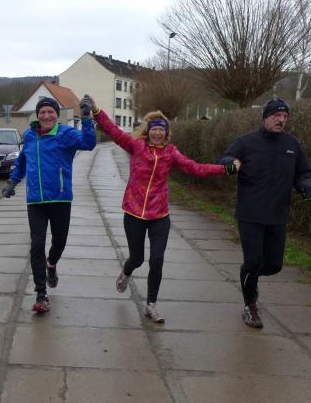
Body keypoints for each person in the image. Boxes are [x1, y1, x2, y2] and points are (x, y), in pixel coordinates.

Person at [88, 98, 238, 323]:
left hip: (159, 215)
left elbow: (195, 168)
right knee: (137, 258)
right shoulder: (136, 146)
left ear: (167, 133)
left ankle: (151, 305)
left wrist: (224, 169)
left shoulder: (171, 153)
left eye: (161, 130)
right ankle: (126, 271)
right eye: (154, 129)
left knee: (157, 260)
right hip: (134, 213)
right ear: (148, 131)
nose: (157, 133)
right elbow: (114, 131)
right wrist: (97, 111)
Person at [219, 98, 311, 328]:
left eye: (285, 116)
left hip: (277, 215)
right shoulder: (246, 142)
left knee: (273, 265)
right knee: (253, 261)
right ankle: (250, 305)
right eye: (276, 116)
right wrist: (230, 163)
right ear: (265, 118)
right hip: (250, 214)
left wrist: (305, 184)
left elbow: (303, 172)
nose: (281, 120)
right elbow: (226, 158)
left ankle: (248, 277)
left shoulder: (292, 144)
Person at [2, 96, 97, 313]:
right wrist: (12, 182)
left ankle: (51, 264)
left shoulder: (66, 134)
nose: (46, 116)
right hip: (35, 200)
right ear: (37, 115)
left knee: (59, 243)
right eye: (42, 112)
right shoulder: (29, 135)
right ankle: (40, 294)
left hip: (60, 198)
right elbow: (22, 162)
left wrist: (86, 118)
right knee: (36, 245)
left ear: (56, 114)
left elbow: (89, 143)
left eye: (50, 112)